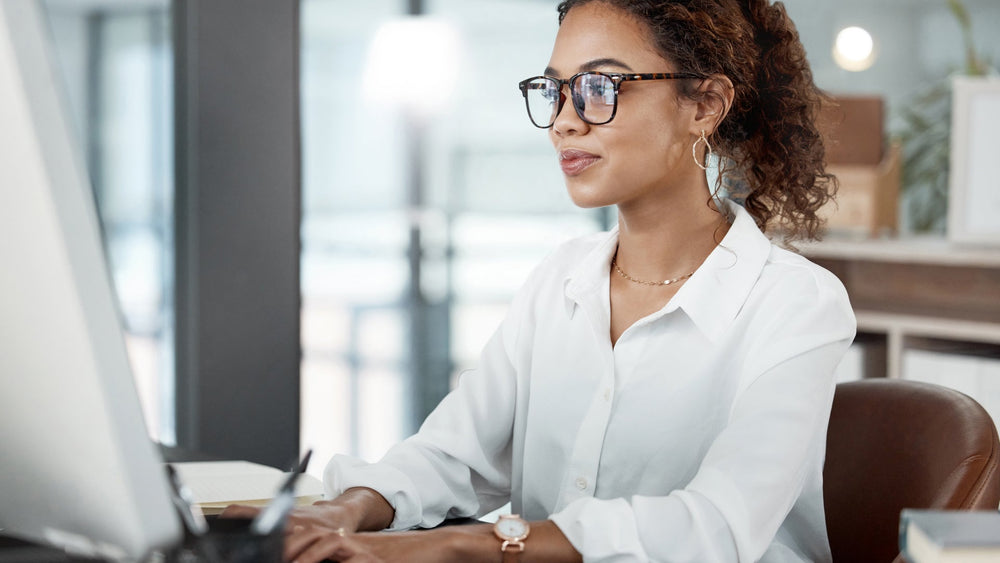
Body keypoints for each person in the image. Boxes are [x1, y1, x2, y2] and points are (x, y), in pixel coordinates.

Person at [224, 1, 856, 561]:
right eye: (554, 91)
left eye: (599, 87)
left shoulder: (796, 304)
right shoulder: (561, 280)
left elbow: (715, 527)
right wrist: (343, 512)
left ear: (706, 105)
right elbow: (454, 454)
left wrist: (462, 544)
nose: (564, 122)